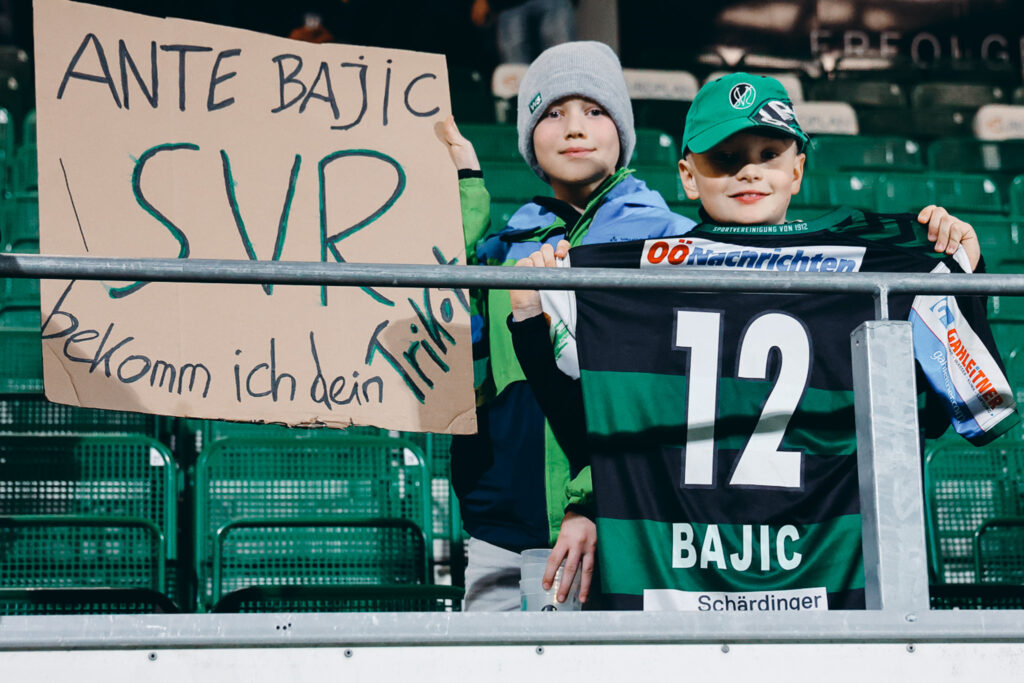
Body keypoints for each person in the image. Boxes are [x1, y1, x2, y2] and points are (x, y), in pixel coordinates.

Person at [506, 72, 1016, 610]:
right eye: (725, 158)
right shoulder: (626, 279)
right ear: (687, 175)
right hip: (723, 596)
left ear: (797, 167)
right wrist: (529, 319)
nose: (748, 169)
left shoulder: (885, 264)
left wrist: (959, 270)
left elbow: (944, 414)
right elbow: (586, 430)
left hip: (802, 590)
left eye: (769, 153)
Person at [441, 41, 696, 610]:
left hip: (627, 516)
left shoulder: (672, 243)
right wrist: (465, 189)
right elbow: (449, 321)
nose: (574, 128)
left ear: (623, 131)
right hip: (504, 517)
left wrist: (593, 499)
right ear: (529, 137)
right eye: (552, 113)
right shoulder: (506, 247)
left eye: (595, 111)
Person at [471, 0, 577, 64]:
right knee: (514, 64)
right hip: (509, 5)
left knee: (562, 57)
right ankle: (517, 98)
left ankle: (563, 95)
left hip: (555, 3)